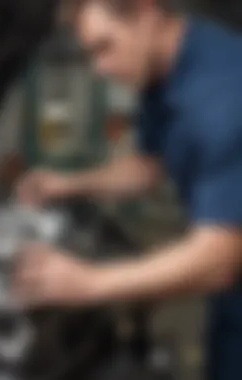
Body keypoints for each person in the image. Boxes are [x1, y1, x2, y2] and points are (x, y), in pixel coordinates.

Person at [15, 1, 242, 379]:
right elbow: (149, 167)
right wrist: (68, 184)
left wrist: (86, 283)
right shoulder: (167, 68)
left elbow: (218, 260)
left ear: (147, 12)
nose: (100, 68)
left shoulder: (222, 100)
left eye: (106, 47)